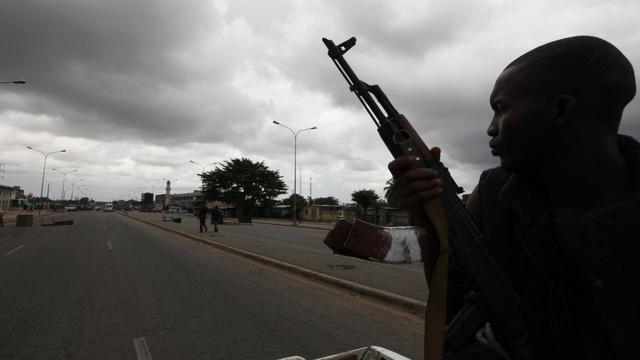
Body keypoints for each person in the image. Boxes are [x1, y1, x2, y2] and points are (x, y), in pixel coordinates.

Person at [389, 36, 638, 359]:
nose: (491, 128)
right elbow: (454, 300)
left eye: (502, 109)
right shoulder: (494, 194)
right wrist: (427, 214)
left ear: (561, 109)